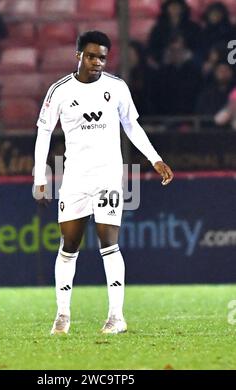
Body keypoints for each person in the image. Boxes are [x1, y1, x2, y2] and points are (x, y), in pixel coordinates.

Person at [32, 31, 174, 335]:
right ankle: (62, 315)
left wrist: (155, 158)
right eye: (92, 56)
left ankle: (116, 316)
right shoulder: (59, 90)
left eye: (103, 57)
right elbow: (44, 132)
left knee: (109, 243)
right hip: (74, 178)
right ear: (79, 55)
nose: (97, 62)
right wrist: (40, 177)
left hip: (108, 175)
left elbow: (132, 126)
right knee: (69, 246)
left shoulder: (117, 88)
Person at [155, 34, 202, 115]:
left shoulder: (193, 72)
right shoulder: (163, 73)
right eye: (173, 50)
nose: (176, 54)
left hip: (189, 116)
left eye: (179, 50)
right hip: (167, 116)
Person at [148, 0, 201, 64]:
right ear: (166, 8)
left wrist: (187, 54)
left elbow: (198, 46)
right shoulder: (158, 28)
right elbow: (152, 47)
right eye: (172, 6)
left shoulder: (194, 27)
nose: (174, 8)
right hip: (164, 64)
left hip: (187, 63)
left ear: (183, 8)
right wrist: (164, 55)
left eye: (177, 6)